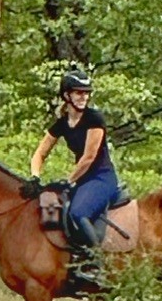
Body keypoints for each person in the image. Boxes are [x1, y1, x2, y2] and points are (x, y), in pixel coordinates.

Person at [29, 70, 127, 253]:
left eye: (86, 93)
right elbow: (39, 154)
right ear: (67, 95)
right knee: (57, 209)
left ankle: (97, 261)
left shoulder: (94, 119)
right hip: (82, 180)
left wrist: (68, 180)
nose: (84, 97)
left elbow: (89, 157)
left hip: (102, 178)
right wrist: (35, 177)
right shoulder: (62, 123)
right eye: (79, 92)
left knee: (77, 213)